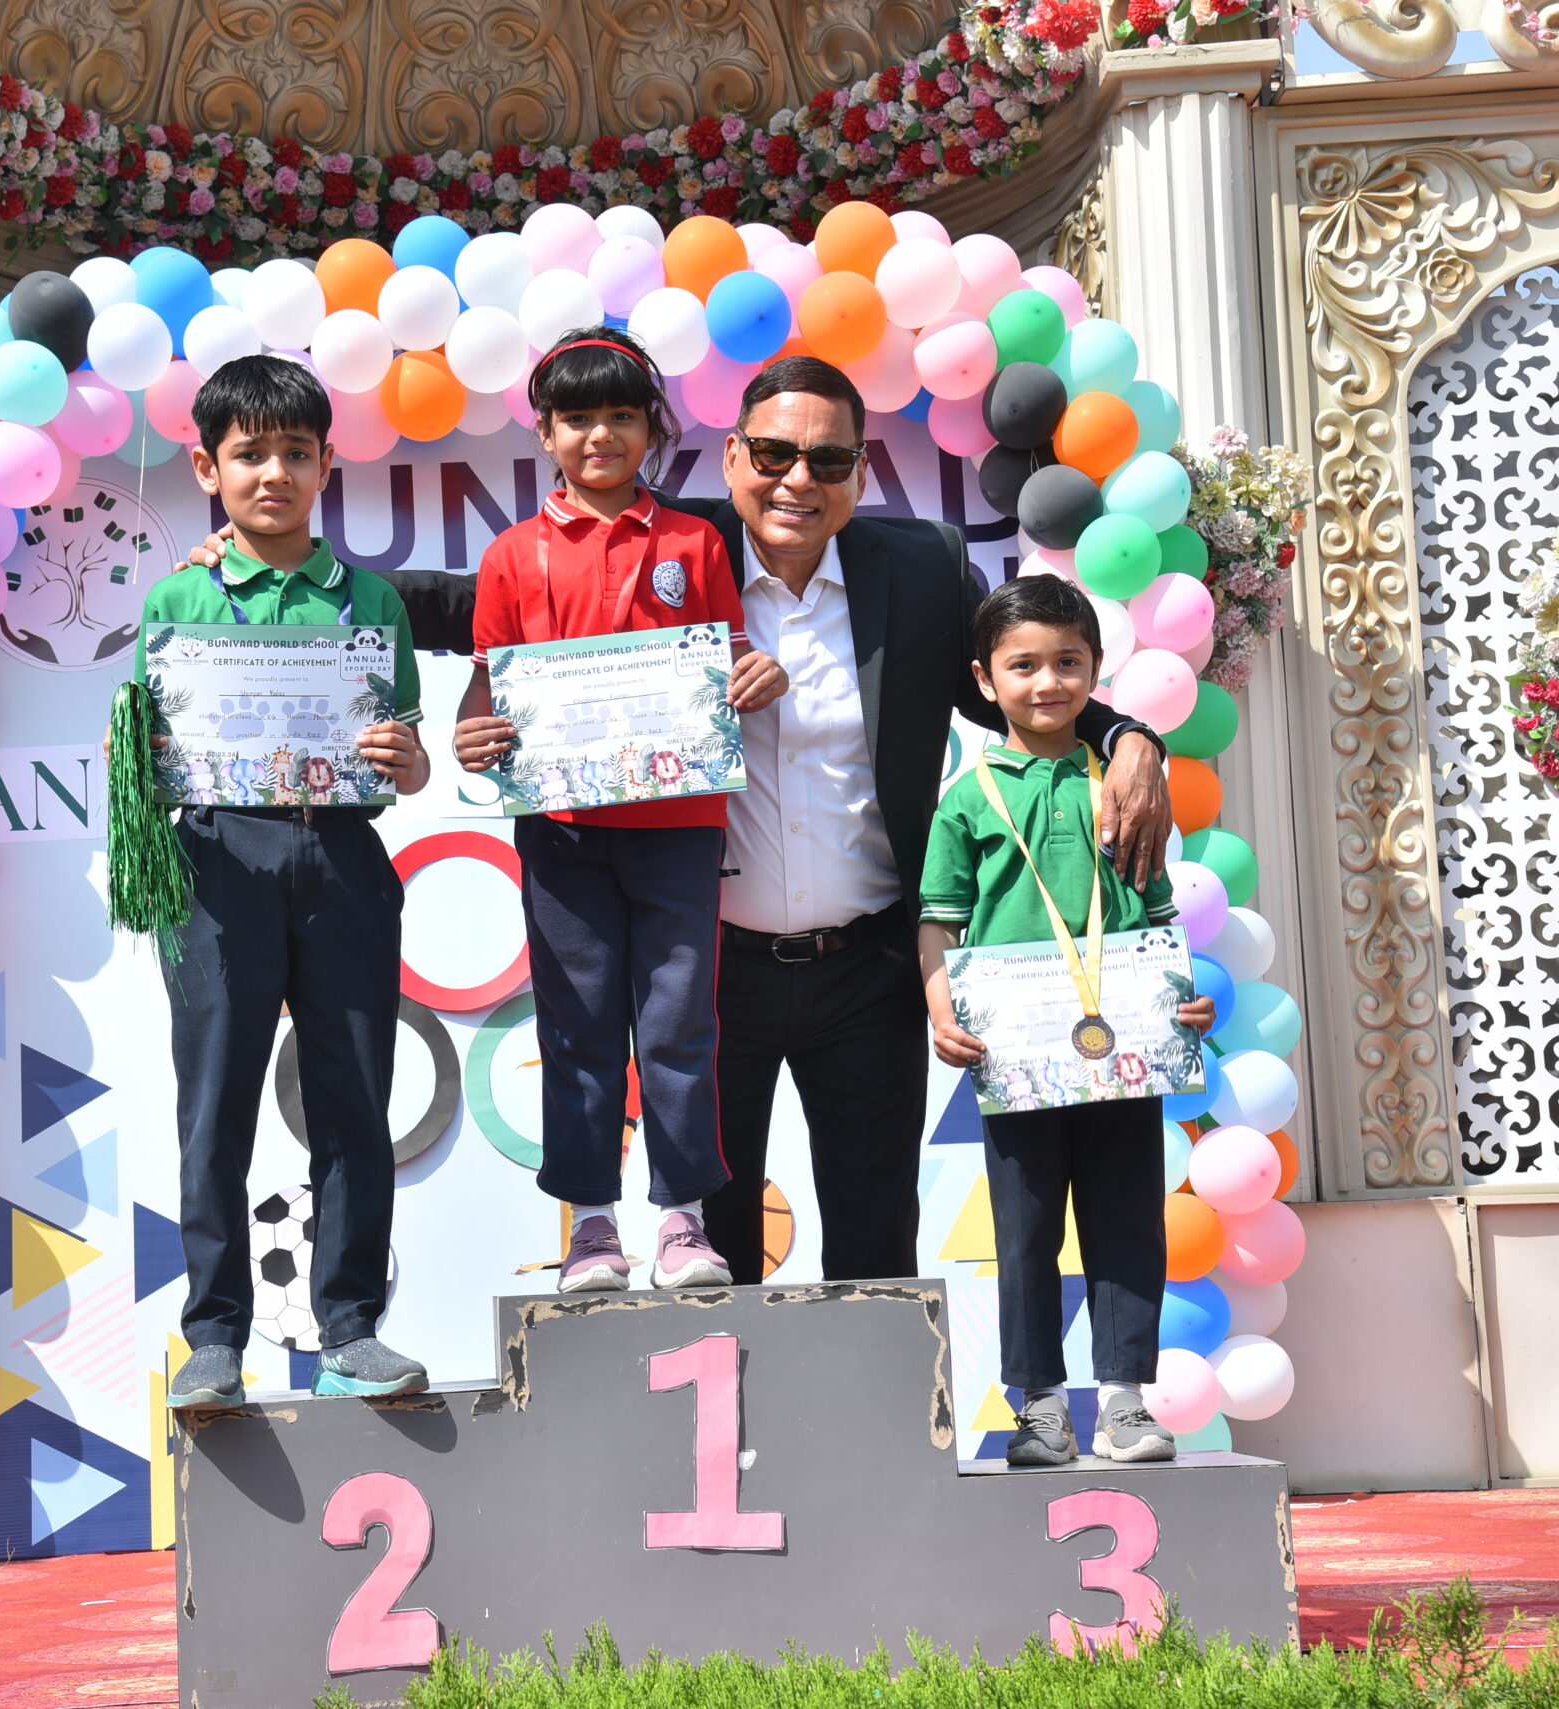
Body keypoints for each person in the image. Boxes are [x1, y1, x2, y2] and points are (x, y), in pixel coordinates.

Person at [664, 358, 1172, 1288]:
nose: (798, 480)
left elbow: (1009, 688)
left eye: (829, 460)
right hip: (709, 971)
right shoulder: (670, 556)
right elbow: (510, 616)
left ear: (861, 471)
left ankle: (873, 1393)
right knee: (712, 1252)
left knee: (874, 1247)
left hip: (869, 971)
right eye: (774, 454)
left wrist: (1128, 735)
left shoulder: (923, 566)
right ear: (732, 456)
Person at [116, 356, 434, 1409]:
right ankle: (213, 1336)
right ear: (208, 468)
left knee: (355, 1099)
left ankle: (351, 1328)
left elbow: (403, 755)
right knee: (216, 1103)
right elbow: (150, 749)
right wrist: (143, 756)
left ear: (327, 465)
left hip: (343, 856)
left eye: (296, 453)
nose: (274, 473)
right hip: (217, 860)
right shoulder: (180, 596)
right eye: (250, 453)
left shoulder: (371, 600)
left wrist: (409, 762)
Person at [451, 327, 788, 1293]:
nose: (600, 434)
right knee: (576, 1028)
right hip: (561, 834)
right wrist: (473, 732)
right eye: (577, 418)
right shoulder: (511, 555)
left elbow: (728, 661)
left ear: (652, 429)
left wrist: (755, 676)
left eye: (621, 415)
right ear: (545, 433)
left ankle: (684, 1222)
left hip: (679, 828)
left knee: (678, 1024)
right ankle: (591, 1227)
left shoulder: (694, 542)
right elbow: (487, 688)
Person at [916, 574, 1213, 1466]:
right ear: (984, 678)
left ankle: (1125, 1403)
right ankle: (1039, 1407)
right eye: (1024, 665)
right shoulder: (967, 797)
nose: (1048, 682)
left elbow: (1157, 920)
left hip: (1123, 1051)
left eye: (1068, 662)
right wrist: (940, 1011)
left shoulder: (1120, 785)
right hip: (1013, 1057)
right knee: (1026, 1235)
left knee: (1128, 1223)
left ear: (1096, 668)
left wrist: (1182, 1002)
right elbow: (939, 921)